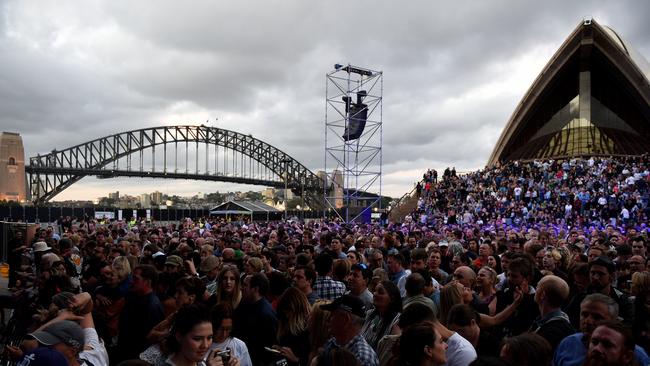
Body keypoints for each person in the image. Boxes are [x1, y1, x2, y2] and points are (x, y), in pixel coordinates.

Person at [553, 293, 650, 366]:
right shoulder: (568, 343)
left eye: (597, 317)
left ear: (614, 320)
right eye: (584, 314)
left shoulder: (636, 354)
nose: (588, 321)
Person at [116, 264, 165, 363]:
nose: (131, 281)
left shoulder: (152, 306)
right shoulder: (132, 296)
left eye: (135, 279)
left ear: (148, 281)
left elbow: (147, 339)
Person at [163, 304, 232, 366]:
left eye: (209, 338)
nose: (205, 345)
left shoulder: (203, 362)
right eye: (197, 339)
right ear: (179, 336)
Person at [232, 273, 278, 366]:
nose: (241, 288)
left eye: (245, 285)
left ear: (256, 289)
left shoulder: (266, 314)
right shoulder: (245, 303)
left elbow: (267, 347)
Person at [320, 295, 379, 366]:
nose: (327, 320)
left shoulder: (362, 358)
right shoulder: (333, 342)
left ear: (345, 320)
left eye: (332, 315)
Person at [530, 275, 574, 350]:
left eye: (537, 286)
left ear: (542, 295)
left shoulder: (552, 332)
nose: (535, 289)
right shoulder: (559, 322)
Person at [361, 280, 402, 349]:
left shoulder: (397, 321)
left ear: (392, 299)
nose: (375, 294)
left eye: (380, 292)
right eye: (375, 291)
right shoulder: (369, 314)